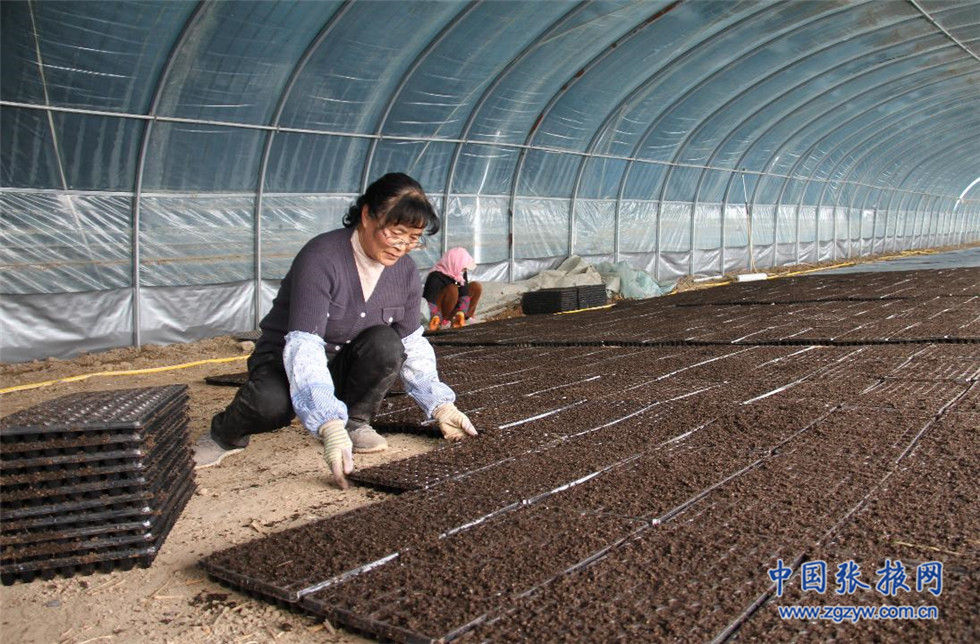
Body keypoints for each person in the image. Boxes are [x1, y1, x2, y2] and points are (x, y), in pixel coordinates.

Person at [193, 173, 478, 488]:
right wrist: (327, 423)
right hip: (287, 361)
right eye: (396, 233)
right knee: (270, 405)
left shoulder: (405, 273)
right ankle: (224, 434)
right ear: (367, 216)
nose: (402, 247)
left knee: (387, 344)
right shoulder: (321, 258)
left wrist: (440, 404)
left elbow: (412, 342)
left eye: (413, 239)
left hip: (346, 363)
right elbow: (305, 346)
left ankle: (355, 422)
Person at [423, 247, 482, 331]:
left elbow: (464, 293)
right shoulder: (435, 276)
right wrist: (435, 315)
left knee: (476, 286)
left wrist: (461, 312)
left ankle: (464, 317)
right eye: (463, 268)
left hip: (454, 308)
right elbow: (429, 301)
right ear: (454, 263)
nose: (464, 270)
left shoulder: (459, 273)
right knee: (452, 289)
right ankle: (445, 321)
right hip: (438, 312)